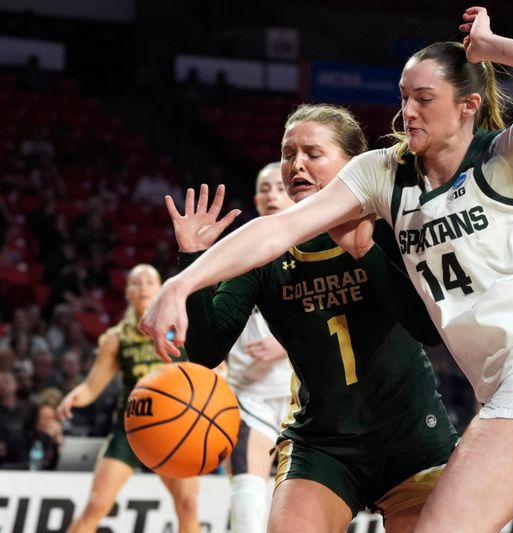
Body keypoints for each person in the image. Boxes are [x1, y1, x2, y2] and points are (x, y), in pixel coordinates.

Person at [140, 8, 513, 532]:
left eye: (424, 99)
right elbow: (277, 230)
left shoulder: (509, 155)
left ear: (468, 105)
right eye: (404, 97)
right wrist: (184, 279)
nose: (409, 111)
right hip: (508, 381)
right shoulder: (384, 173)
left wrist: (490, 46)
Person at [168, 104, 457, 532]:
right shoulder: (263, 250)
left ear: (353, 163)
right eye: (288, 154)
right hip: (322, 445)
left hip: (411, 437)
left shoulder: (391, 224)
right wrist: (193, 262)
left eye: (312, 153)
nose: (296, 164)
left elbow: (430, 331)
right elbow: (206, 353)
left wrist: (367, 252)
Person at [57, 264, 200, 533]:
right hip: (130, 430)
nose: (144, 286)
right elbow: (91, 388)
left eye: (150, 281)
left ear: (160, 289)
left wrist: (222, 374)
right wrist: (73, 398)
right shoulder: (115, 338)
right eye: (137, 282)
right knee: (97, 505)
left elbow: (208, 371)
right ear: (127, 292)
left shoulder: (181, 329)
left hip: (173, 432)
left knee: (188, 505)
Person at [199, 162, 294, 533]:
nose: (272, 195)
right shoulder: (240, 249)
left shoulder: (320, 246)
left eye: (279, 188)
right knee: (248, 502)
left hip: (304, 395)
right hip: (247, 394)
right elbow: (213, 318)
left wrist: (285, 342)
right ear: (256, 198)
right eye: (265, 189)